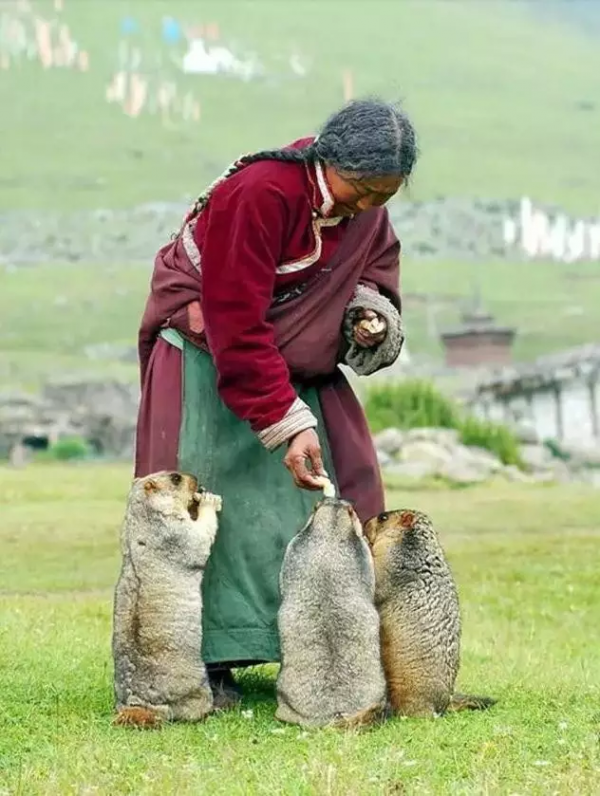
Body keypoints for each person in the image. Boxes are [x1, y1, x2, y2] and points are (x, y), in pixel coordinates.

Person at [136, 97, 418, 708]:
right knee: (210, 510)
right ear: (329, 158)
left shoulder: (367, 211)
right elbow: (233, 319)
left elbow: (374, 272)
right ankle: (201, 662)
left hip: (298, 361)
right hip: (210, 358)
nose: (367, 205)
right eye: (362, 188)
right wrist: (287, 424)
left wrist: (366, 316)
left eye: (384, 195)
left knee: (351, 488)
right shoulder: (260, 192)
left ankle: (328, 652)